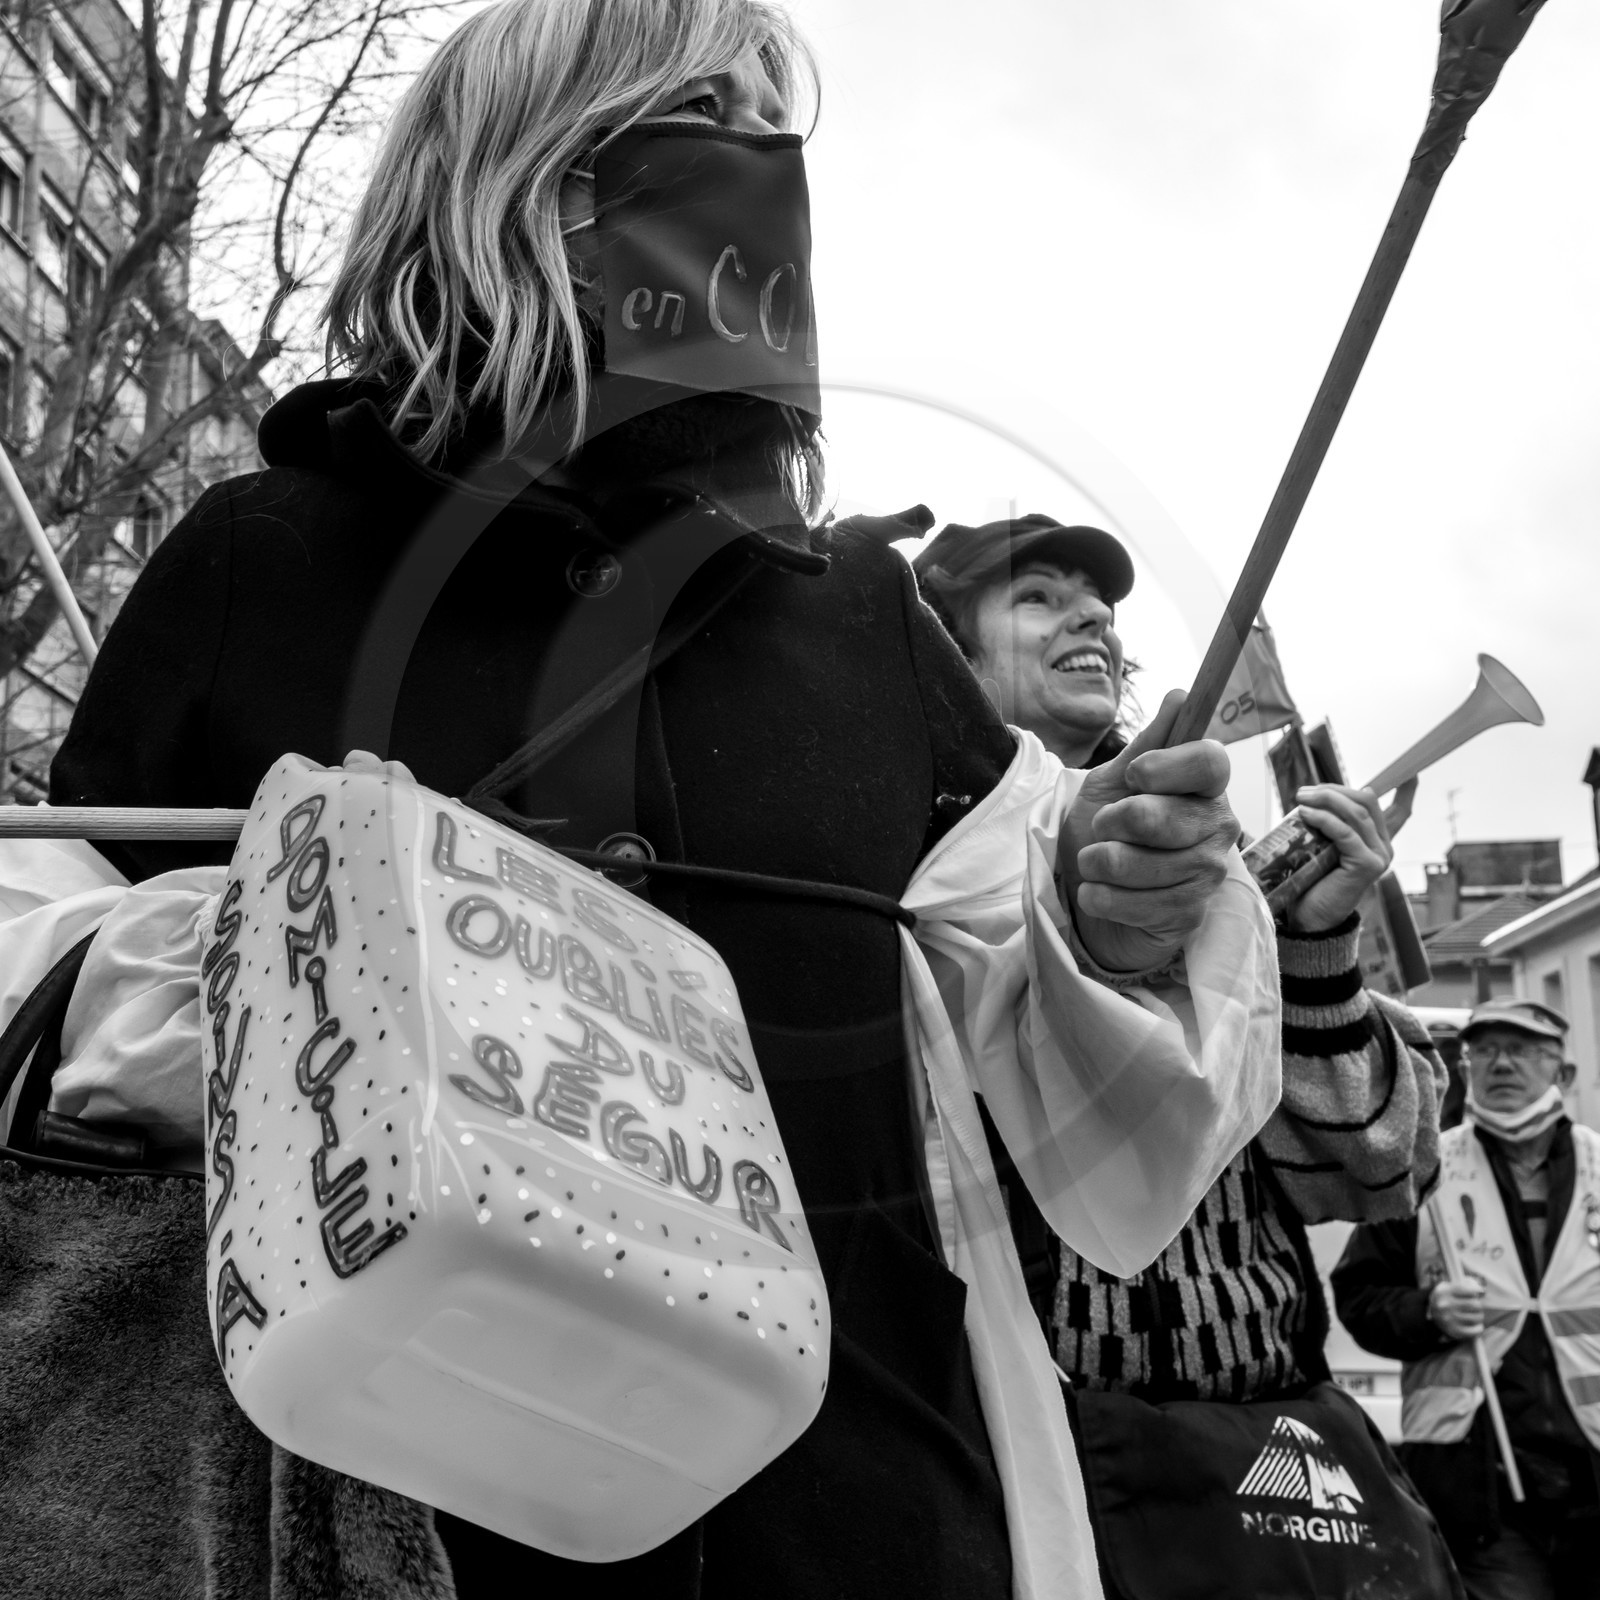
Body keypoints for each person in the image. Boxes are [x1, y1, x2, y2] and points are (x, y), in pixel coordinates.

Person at [39, 5, 1280, 1598]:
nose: (752, 168)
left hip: (854, 1519)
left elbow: (1057, 1053)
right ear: (516, 166)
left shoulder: (856, 611)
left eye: (770, 128)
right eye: (698, 111)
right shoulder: (259, 559)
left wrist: (1115, 912)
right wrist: (292, 972)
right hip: (385, 1514)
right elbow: (46, 960)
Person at [915, 515, 1459, 1597]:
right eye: (1036, 596)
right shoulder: (914, 889)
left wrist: (1311, 949)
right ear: (950, 655)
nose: (1088, 618)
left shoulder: (1228, 893)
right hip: (1035, 1468)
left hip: (1278, 1460)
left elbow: (1379, 1175)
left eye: (1100, 604)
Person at [1333, 1000, 1600, 1599]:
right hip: (1478, 1488)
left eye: (1525, 1050)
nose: (1503, 1064)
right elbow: (1357, 1295)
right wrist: (1427, 1312)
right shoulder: (1424, 1170)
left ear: (1565, 1073)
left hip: (1591, 1478)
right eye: (1488, 1050)